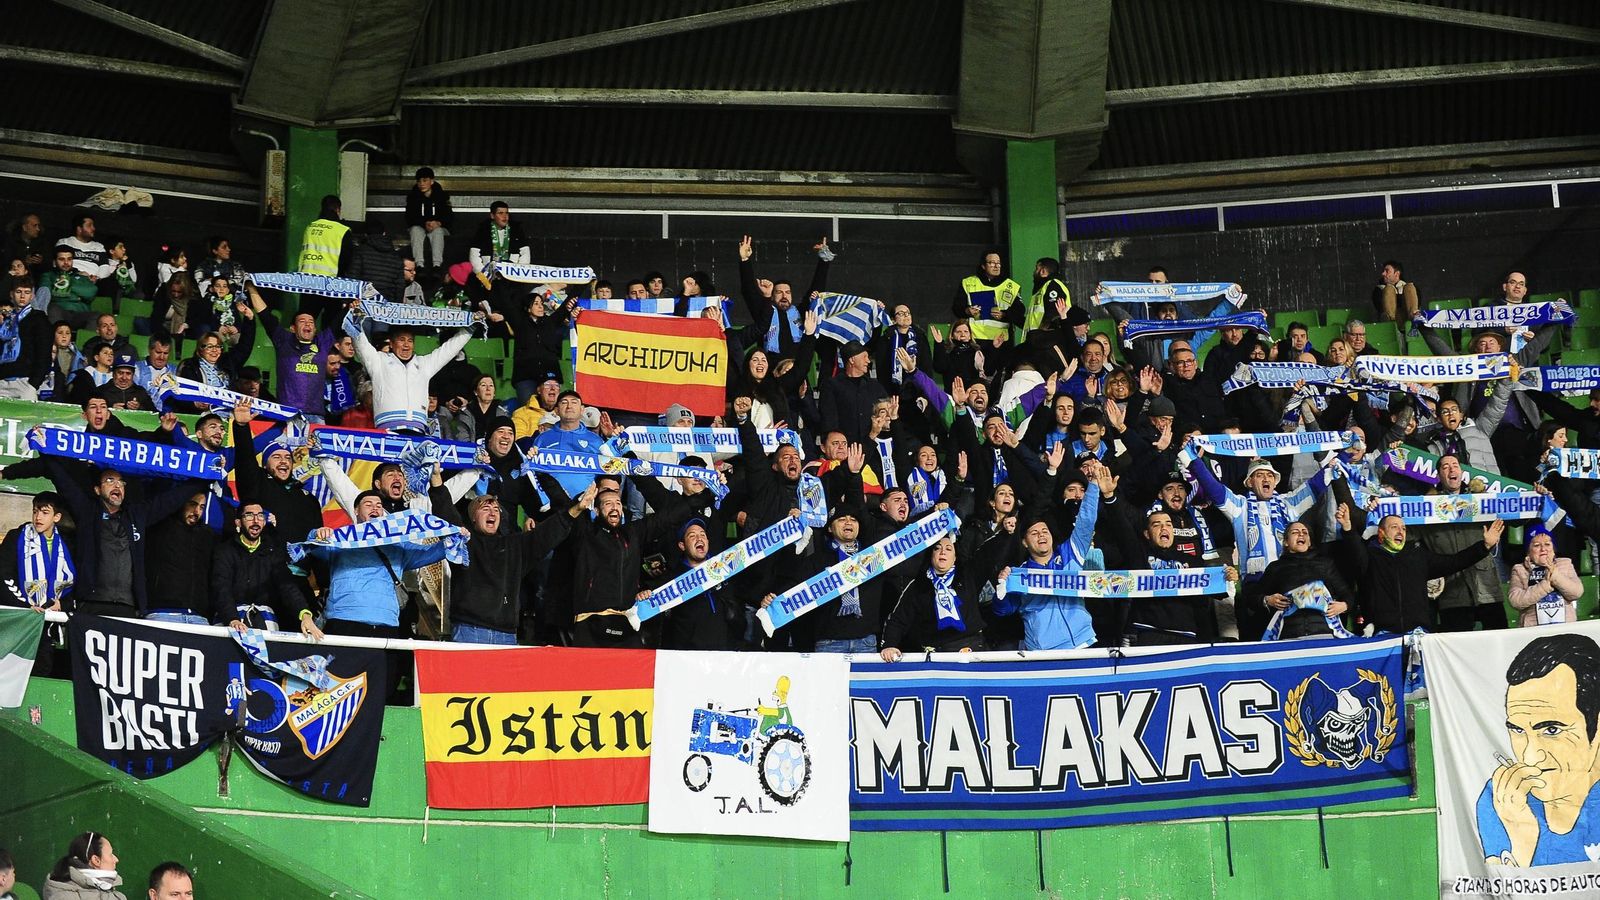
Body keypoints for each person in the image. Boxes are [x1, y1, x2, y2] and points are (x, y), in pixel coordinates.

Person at [1476, 633, 1600, 868]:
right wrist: (1522, 843)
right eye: (1518, 731)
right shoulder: (1500, 798)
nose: (1531, 757)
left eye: (1551, 730)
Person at [449, 487, 588, 645]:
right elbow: (446, 512)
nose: (492, 513)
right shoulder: (463, 542)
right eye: (485, 509)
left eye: (496, 509)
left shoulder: (513, 545)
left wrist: (575, 509)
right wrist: (437, 484)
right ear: (473, 517)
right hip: (470, 631)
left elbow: (546, 534)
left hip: (506, 635)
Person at [991, 462, 1106, 651]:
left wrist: (1093, 486)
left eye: (1044, 531)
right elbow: (1002, 610)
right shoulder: (1020, 574)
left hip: (1083, 643)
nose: (1041, 535)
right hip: (1044, 653)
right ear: (1025, 543)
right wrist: (1001, 591)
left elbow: (1086, 521)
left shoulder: (1071, 553)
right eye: (1034, 533)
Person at [1342, 511, 1503, 634]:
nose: (1400, 531)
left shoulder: (1417, 555)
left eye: (1403, 528)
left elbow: (1454, 562)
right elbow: (1355, 554)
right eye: (1394, 527)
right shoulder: (1370, 556)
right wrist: (1348, 530)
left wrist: (1484, 547)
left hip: (1418, 635)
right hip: (1382, 636)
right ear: (1381, 533)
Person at [344, 301, 477, 432]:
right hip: (387, 429)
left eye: (410, 341)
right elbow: (361, 344)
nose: (406, 345)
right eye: (401, 340)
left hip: (418, 430)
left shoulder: (424, 364)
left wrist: (471, 327)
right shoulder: (379, 360)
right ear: (391, 343)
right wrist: (356, 315)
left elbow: (449, 349)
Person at [879, 532, 992, 659]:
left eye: (948, 549)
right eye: (937, 548)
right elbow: (898, 620)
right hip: (935, 655)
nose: (943, 552)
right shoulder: (918, 585)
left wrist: (1006, 533)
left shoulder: (968, 576)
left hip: (972, 649)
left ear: (955, 557)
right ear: (931, 555)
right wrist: (889, 645)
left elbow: (988, 552)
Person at [213, 500, 305, 631]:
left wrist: (304, 614)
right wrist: (232, 618)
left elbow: (287, 586)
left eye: (260, 516)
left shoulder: (272, 551)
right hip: (230, 620)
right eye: (249, 515)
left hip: (265, 619)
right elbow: (221, 588)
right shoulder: (225, 550)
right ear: (238, 522)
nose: (256, 521)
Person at [143, 491, 215, 625]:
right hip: (162, 614)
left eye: (201, 507)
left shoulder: (207, 536)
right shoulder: (159, 526)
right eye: (193, 504)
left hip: (198, 617)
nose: (197, 511)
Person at [1508, 527, 1583, 628]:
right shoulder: (1519, 569)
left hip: (1565, 628)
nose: (1543, 549)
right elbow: (1516, 601)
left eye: (1547, 544)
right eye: (1537, 545)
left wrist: (1555, 576)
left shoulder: (1565, 564)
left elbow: (1576, 593)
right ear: (1528, 552)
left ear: (1553, 549)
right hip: (1532, 630)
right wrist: (1545, 585)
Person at [953, 250, 1022, 343]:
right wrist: (967, 311)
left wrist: (1004, 314)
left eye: (998, 263)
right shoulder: (968, 283)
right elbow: (956, 308)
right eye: (992, 263)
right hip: (974, 339)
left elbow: (1020, 311)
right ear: (983, 266)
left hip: (1001, 340)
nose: (996, 266)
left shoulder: (1012, 286)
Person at [42, 831, 124, 900]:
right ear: (96, 860)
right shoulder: (63, 897)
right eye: (110, 854)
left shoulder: (118, 896)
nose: (116, 859)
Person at [404, 167, 453, 272]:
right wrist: (424, 223)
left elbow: (449, 216)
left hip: (438, 227)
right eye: (419, 181)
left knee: (438, 232)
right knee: (415, 230)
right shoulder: (413, 197)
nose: (421, 184)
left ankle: (437, 266)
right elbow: (409, 217)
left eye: (425, 180)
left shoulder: (442, 196)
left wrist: (439, 223)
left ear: (432, 181)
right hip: (420, 227)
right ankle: (419, 265)